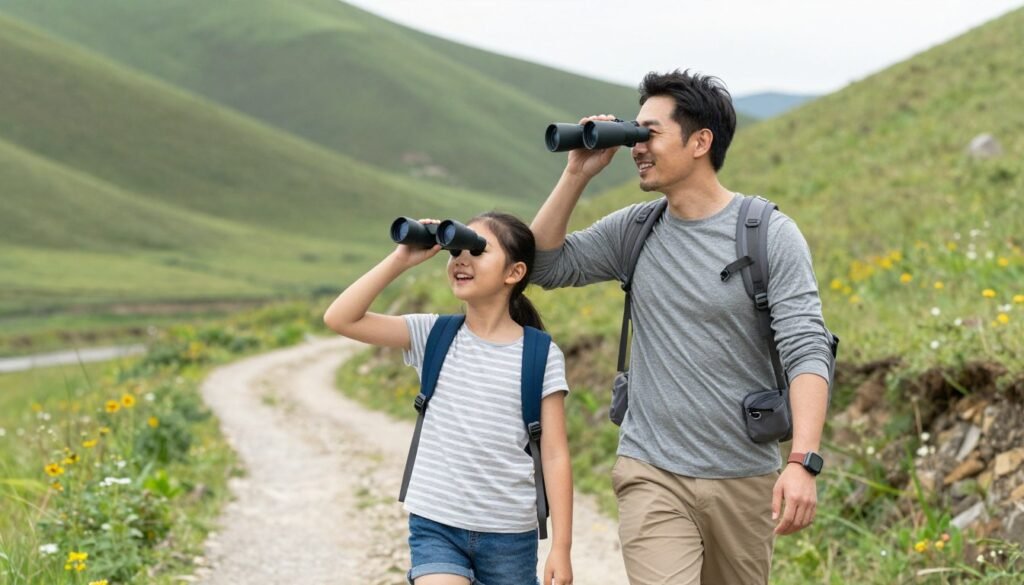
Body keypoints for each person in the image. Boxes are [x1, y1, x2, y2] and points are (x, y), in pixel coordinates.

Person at [529, 69, 833, 584]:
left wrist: (802, 460)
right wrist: (577, 173)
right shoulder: (636, 229)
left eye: (649, 133)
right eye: (634, 132)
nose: (636, 147)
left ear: (700, 141)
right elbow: (540, 266)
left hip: (744, 475)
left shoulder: (767, 234)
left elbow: (807, 348)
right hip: (651, 471)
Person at [324, 212, 574, 585]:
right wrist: (401, 259)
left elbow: (554, 455)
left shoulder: (539, 353)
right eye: (457, 249)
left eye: (477, 250)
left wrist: (562, 548)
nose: (461, 259)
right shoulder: (433, 334)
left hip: (508, 534)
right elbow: (341, 318)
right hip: (436, 523)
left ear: (514, 272)